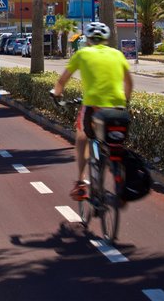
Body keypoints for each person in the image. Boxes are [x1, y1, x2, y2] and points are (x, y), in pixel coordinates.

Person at [52, 21, 132, 201]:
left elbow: (63, 80)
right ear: (105, 38)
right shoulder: (118, 54)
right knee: (113, 142)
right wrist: (125, 102)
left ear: (88, 39)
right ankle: (117, 173)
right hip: (117, 108)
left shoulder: (82, 54)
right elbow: (129, 83)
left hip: (93, 107)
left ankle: (81, 183)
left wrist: (56, 94)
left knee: (82, 138)